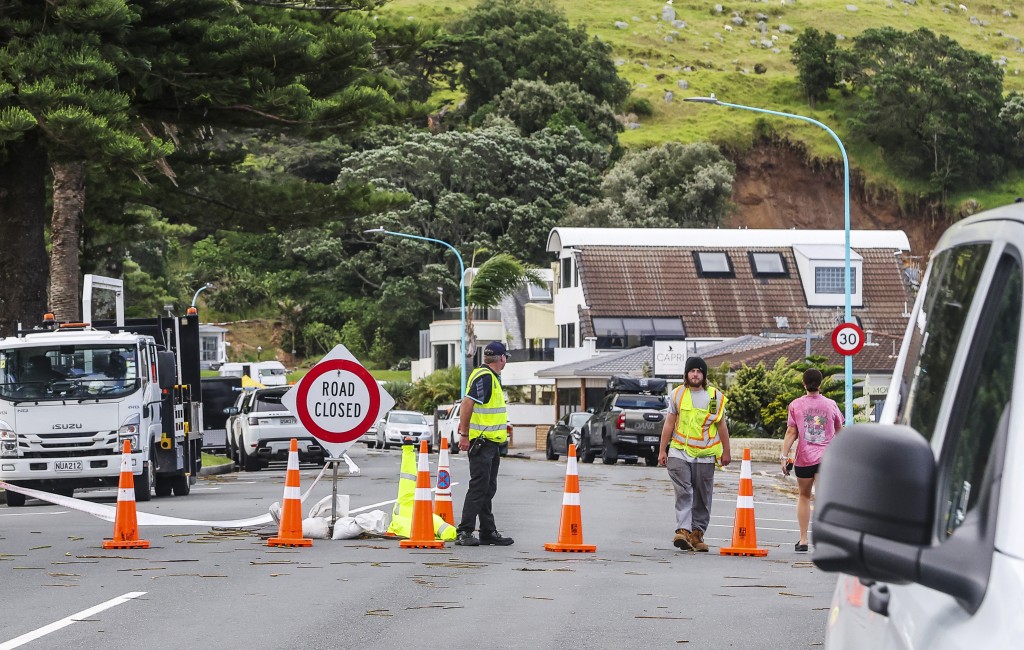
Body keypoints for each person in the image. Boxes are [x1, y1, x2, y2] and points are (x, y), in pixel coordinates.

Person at [658, 356, 731, 552]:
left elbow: (721, 425)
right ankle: (682, 530)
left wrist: (726, 451)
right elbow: (669, 423)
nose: (695, 374)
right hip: (679, 451)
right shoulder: (677, 394)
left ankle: (697, 534)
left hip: (705, 454)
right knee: (684, 490)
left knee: (702, 495)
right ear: (686, 374)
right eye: (692, 371)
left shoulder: (715, 396)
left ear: (704, 375)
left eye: (699, 371)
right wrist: (662, 449)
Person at [454, 341, 514, 547]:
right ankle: (464, 531)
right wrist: (464, 434)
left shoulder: (490, 377)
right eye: (506, 357)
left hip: (490, 443)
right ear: (501, 358)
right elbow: (467, 403)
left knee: (487, 488)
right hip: (481, 442)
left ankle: (488, 531)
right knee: (479, 487)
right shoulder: (485, 377)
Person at [780, 368, 844, 553]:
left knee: (804, 496)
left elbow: (791, 432)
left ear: (803, 383)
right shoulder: (831, 405)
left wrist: (784, 457)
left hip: (804, 459)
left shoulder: (795, 405)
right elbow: (840, 430)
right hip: (827, 459)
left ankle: (803, 539)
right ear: (821, 383)